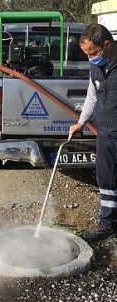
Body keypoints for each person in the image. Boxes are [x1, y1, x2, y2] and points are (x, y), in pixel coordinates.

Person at [69, 23, 117, 240]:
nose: (90, 58)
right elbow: (93, 95)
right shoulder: (96, 67)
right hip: (105, 133)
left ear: (107, 45)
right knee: (106, 180)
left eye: (93, 53)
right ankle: (107, 224)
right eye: (86, 54)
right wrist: (81, 121)